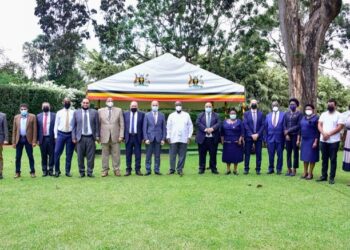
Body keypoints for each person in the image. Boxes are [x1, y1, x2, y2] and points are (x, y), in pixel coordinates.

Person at [317, 98, 344, 185]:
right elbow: (319, 124)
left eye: (331, 104)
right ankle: (324, 176)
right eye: (328, 104)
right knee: (324, 159)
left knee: (333, 159)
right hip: (323, 140)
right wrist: (323, 133)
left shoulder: (339, 115)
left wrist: (328, 134)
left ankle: (331, 177)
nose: (330, 105)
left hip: (334, 141)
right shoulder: (323, 114)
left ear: (335, 105)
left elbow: (339, 127)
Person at [72, 98, 100, 178]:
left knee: (91, 156)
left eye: (87, 103)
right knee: (80, 156)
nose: (85, 104)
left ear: (89, 104)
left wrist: (97, 136)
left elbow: (97, 125)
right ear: (81, 104)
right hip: (80, 138)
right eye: (84, 103)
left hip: (91, 137)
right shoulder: (76, 113)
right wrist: (74, 137)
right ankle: (81, 172)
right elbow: (73, 126)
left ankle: (90, 172)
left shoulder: (94, 112)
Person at [98, 98, 124, 177]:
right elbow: (98, 125)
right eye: (108, 101)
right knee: (104, 155)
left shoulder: (119, 110)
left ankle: (116, 169)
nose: (110, 102)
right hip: (104, 136)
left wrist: (121, 135)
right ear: (106, 102)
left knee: (116, 154)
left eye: (111, 101)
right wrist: (98, 136)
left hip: (115, 136)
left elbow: (122, 124)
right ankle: (105, 170)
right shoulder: (100, 111)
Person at [166, 101, 193, 176]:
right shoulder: (171, 115)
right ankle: (172, 169)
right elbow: (168, 127)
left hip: (183, 138)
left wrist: (189, 137)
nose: (178, 106)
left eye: (179, 105)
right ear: (175, 106)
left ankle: (180, 169)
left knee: (182, 155)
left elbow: (190, 126)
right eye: (177, 105)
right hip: (173, 138)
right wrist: (168, 136)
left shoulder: (186, 115)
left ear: (182, 106)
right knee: (172, 155)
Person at [12, 104, 37, 178]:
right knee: (18, 157)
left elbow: (35, 130)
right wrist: (13, 142)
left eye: (24, 109)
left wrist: (34, 141)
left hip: (28, 140)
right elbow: (14, 130)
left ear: (27, 109)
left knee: (30, 156)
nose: (23, 110)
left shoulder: (32, 117)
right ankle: (17, 172)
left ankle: (32, 172)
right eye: (22, 109)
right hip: (19, 140)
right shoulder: (16, 117)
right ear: (20, 110)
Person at [196, 102, 221, 174]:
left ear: (212, 107)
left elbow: (219, 123)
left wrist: (212, 129)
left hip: (213, 138)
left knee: (213, 154)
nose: (208, 108)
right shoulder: (200, 115)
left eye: (209, 106)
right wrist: (206, 129)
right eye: (207, 106)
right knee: (202, 154)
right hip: (202, 138)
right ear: (204, 107)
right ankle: (201, 168)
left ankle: (213, 168)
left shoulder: (216, 115)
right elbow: (198, 123)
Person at [143, 100, 166, 175]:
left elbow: (164, 128)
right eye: (153, 105)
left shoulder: (162, 115)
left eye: (156, 105)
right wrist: (146, 138)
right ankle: (148, 170)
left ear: (158, 106)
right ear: (151, 106)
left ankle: (157, 170)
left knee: (157, 156)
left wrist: (163, 139)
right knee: (148, 155)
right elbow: (144, 128)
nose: (155, 106)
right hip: (149, 138)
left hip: (159, 138)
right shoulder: (147, 115)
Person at [53, 98, 75, 177]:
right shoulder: (59, 112)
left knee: (69, 154)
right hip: (60, 134)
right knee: (56, 153)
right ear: (63, 102)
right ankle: (57, 171)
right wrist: (55, 136)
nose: (67, 103)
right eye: (65, 101)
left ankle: (67, 171)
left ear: (70, 103)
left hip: (70, 135)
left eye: (68, 102)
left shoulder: (73, 113)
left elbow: (74, 125)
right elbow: (56, 124)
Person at [243, 99, 265, 175]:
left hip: (258, 137)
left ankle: (258, 169)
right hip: (249, 136)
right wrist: (251, 134)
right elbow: (245, 125)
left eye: (255, 103)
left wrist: (257, 134)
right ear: (250, 105)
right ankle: (246, 169)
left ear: (257, 105)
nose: (254, 104)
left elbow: (263, 125)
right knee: (247, 153)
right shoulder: (246, 114)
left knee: (259, 153)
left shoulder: (261, 114)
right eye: (252, 103)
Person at [298, 104, 319, 180]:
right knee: (305, 157)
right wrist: (298, 139)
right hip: (304, 140)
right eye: (306, 109)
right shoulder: (303, 118)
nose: (308, 110)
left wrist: (316, 142)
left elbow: (317, 131)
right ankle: (305, 172)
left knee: (311, 157)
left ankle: (310, 173)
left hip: (312, 140)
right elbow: (300, 129)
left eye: (309, 109)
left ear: (313, 110)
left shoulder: (316, 118)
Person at [123, 101, 145, 176]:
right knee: (128, 154)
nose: (134, 107)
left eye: (135, 106)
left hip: (137, 137)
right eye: (132, 106)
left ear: (137, 106)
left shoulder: (142, 114)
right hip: (128, 137)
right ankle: (128, 170)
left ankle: (138, 170)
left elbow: (143, 127)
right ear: (130, 106)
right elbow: (123, 126)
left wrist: (143, 137)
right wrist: (123, 136)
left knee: (138, 154)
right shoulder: (125, 114)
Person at [221, 108, 244, 175]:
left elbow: (242, 132)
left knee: (236, 156)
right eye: (231, 113)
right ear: (229, 114)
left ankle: (235, 170)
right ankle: (228, 170)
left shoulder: (239, 121)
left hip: (236, 142)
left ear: (236, 114)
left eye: (234, 113)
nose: (232, 114)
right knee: (227, 156)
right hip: (227, 142)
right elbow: (222, 132)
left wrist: (240, 139)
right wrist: (222, 140)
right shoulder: (225, 122)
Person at [284, 98, 303, 176]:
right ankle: (289, 169)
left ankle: (294, 170)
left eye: (293, 104)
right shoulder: (286, 114)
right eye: (291, 104)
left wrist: (289, 131)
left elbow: (299, 126)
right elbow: (284, 125)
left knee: (295, 153)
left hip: (295, 135)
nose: (292, 105)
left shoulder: (299, 114)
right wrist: (286, 134)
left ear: (297, 105)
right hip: (288, 137)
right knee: (288, 153)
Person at [265, 101, 285, 175]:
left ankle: (279, 169)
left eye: (276, 105)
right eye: (273, 105)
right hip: (270, 139)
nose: (275, 106)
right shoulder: (268, 115)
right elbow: (266, 128)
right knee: (271, 155)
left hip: (280, 138)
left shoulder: (283, 115)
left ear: (278, 106)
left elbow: (284, 127)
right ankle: (271, 169)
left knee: (280, 155)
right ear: (271, 106)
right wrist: (266, 139)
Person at [37, 102, 56, 177]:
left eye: (47, 106)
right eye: (44, 106)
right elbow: (37, 129)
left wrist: (56, 137)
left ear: (50, 107)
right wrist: (37, 139)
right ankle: (44, 171)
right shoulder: (38, 116)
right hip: (42, 139)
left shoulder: (54, 115)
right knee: (43, 155)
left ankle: (51, 170)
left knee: (52, 155)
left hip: (51, 138)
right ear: (42, 107)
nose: (45, 107)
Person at [0, 111, 9, 179]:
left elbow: (5, 128)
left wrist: (6, 139)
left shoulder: (3, 115)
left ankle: (0, 173)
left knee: (0, 157)